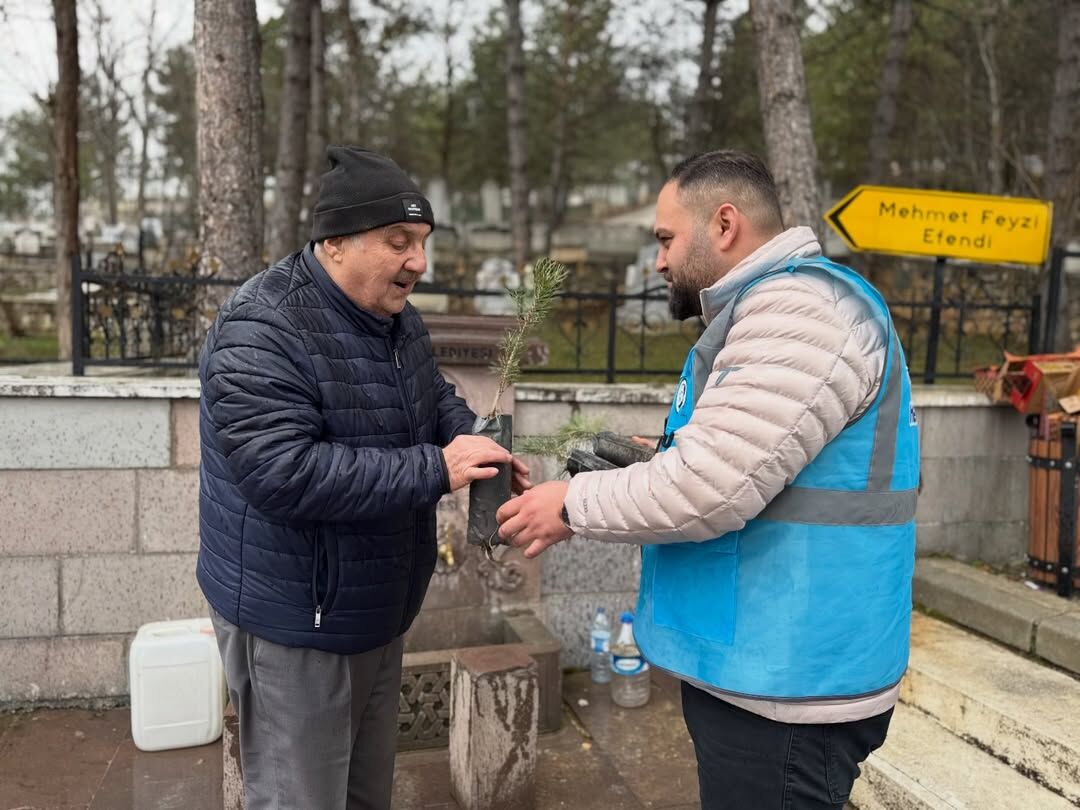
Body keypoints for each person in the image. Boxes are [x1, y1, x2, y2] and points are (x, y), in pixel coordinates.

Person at [496, 149, 919, 809]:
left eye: (666, 239)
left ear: (724, 225)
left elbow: (709, 489)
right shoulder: (773, 309)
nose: (658, 261)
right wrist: (655, 456)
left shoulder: (799, 315)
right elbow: (750, 460)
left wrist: (571, 504)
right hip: (771, 665)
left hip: (790, 684)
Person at [197, 145, 530, 810]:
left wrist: (473, 441)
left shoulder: (395, 319)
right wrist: (440, 467)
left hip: (377, 612)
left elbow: (431, 396)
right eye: (398, 241)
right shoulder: (261, 326)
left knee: (364, 795)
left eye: (422, 242)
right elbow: (282, 474)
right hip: (298, 622)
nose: (418, 262)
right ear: (335, 242)